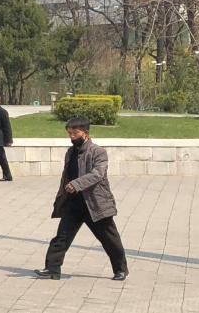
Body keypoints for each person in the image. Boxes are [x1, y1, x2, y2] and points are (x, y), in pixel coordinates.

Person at [34, 117, 129, 281]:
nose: (71, 136)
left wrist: (77, 184)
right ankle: (52, 269)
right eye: (69, 133)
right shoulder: (70, 152)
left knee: (109, 239)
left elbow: (98, 174)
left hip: (95, 204)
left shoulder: (98, 152)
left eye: (75, 133)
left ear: (85, 133)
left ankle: (120, 269)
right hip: (73, 204)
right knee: (61, 237)